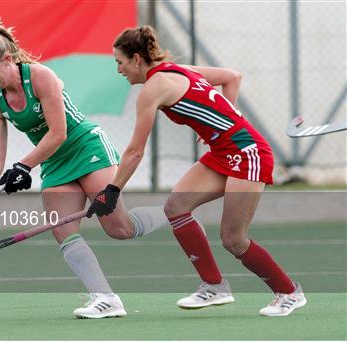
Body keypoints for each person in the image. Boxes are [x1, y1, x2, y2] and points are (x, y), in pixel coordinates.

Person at [88, 25, 307, 317]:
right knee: (176, 207)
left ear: (137, 59)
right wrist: (220, 121)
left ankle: (288, 292)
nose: (119, 70)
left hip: (247, 152)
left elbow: (135, 151)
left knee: (233, 238)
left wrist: (112, 190)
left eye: (120, 62)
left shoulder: (153, 89)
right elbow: (232, 77)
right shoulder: (175, 69)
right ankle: (214, 286)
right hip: (222, 153)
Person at [0, 19, 168, 319]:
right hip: (55, 162)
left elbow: (59, 133)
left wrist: (23, 165)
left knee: (120, 229)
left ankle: (172, 212)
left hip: (85, 147)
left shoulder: (41, 77)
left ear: (7, 60)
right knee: (63, 230)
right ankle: (106, 299)